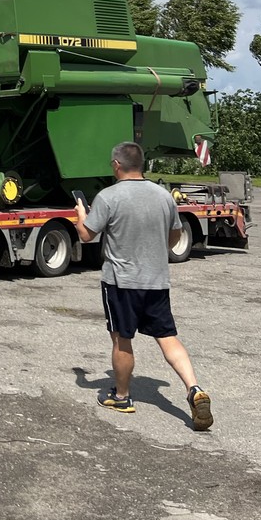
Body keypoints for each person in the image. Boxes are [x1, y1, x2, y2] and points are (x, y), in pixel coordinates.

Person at [74, 141, 213, 431]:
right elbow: (175, 235)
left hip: (121, 283)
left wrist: (79, 214)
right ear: (141, 164)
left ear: (116, 165)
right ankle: (194, 388)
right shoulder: (163, 196)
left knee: (122, 340)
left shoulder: (108, 196)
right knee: (168, 338)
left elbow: (87, 235)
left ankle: (122, 397)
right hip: (156, 281)